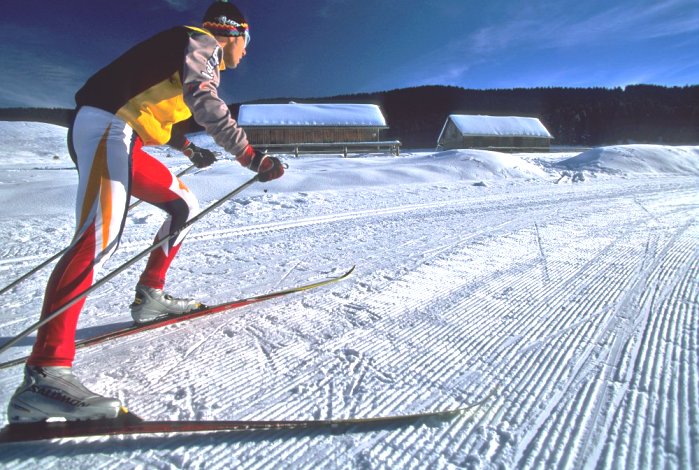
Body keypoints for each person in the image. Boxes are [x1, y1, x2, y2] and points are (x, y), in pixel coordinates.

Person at [7, 0, 283, 423]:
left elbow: (153, 112)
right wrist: (250, 155)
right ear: (235, 32)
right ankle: (45, 374)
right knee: (99, 238)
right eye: (249, 40)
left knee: (182, 204)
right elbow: (203, 100)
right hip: (107, 126)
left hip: (125, 134)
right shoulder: (203, 43)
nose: (247, 51)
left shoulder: (189, 52)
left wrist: (188, 147)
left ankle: (149, 296)